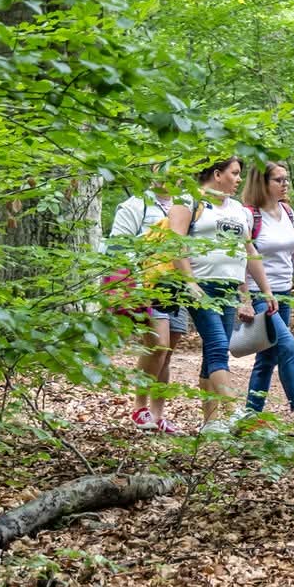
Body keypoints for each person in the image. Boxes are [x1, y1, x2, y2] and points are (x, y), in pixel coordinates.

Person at [166, 157, 278, 434]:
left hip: (229, 289)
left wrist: (260, 292)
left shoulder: (240, 210)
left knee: (212, 352)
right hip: (200, 287)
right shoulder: (188, 200)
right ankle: (235, 411)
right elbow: (175, 243)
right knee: (217, 345)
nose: (239, 179)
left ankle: (212, 423)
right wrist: (190, 282)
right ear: (217, 174)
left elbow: (248, 253)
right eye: (235, 173)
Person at [242, 161, 294, 428]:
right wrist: (245, 297)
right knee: (287, 345)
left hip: (284, 293)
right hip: (260, 294)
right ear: (262, 183)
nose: (285, 184)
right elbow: (242, 258)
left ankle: (250, 414)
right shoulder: (248, 216)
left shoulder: (287, 211)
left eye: (286, 179)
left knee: (267, 355)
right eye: (278, 180)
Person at [109, 182, 190, 433]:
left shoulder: (188, 203)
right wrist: (132, 287)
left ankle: (157, 414)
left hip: (177, 287)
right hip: (146, 285)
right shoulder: (135, 205)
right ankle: (139, 407)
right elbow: (118, 249)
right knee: (158, 344)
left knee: (167, 352)